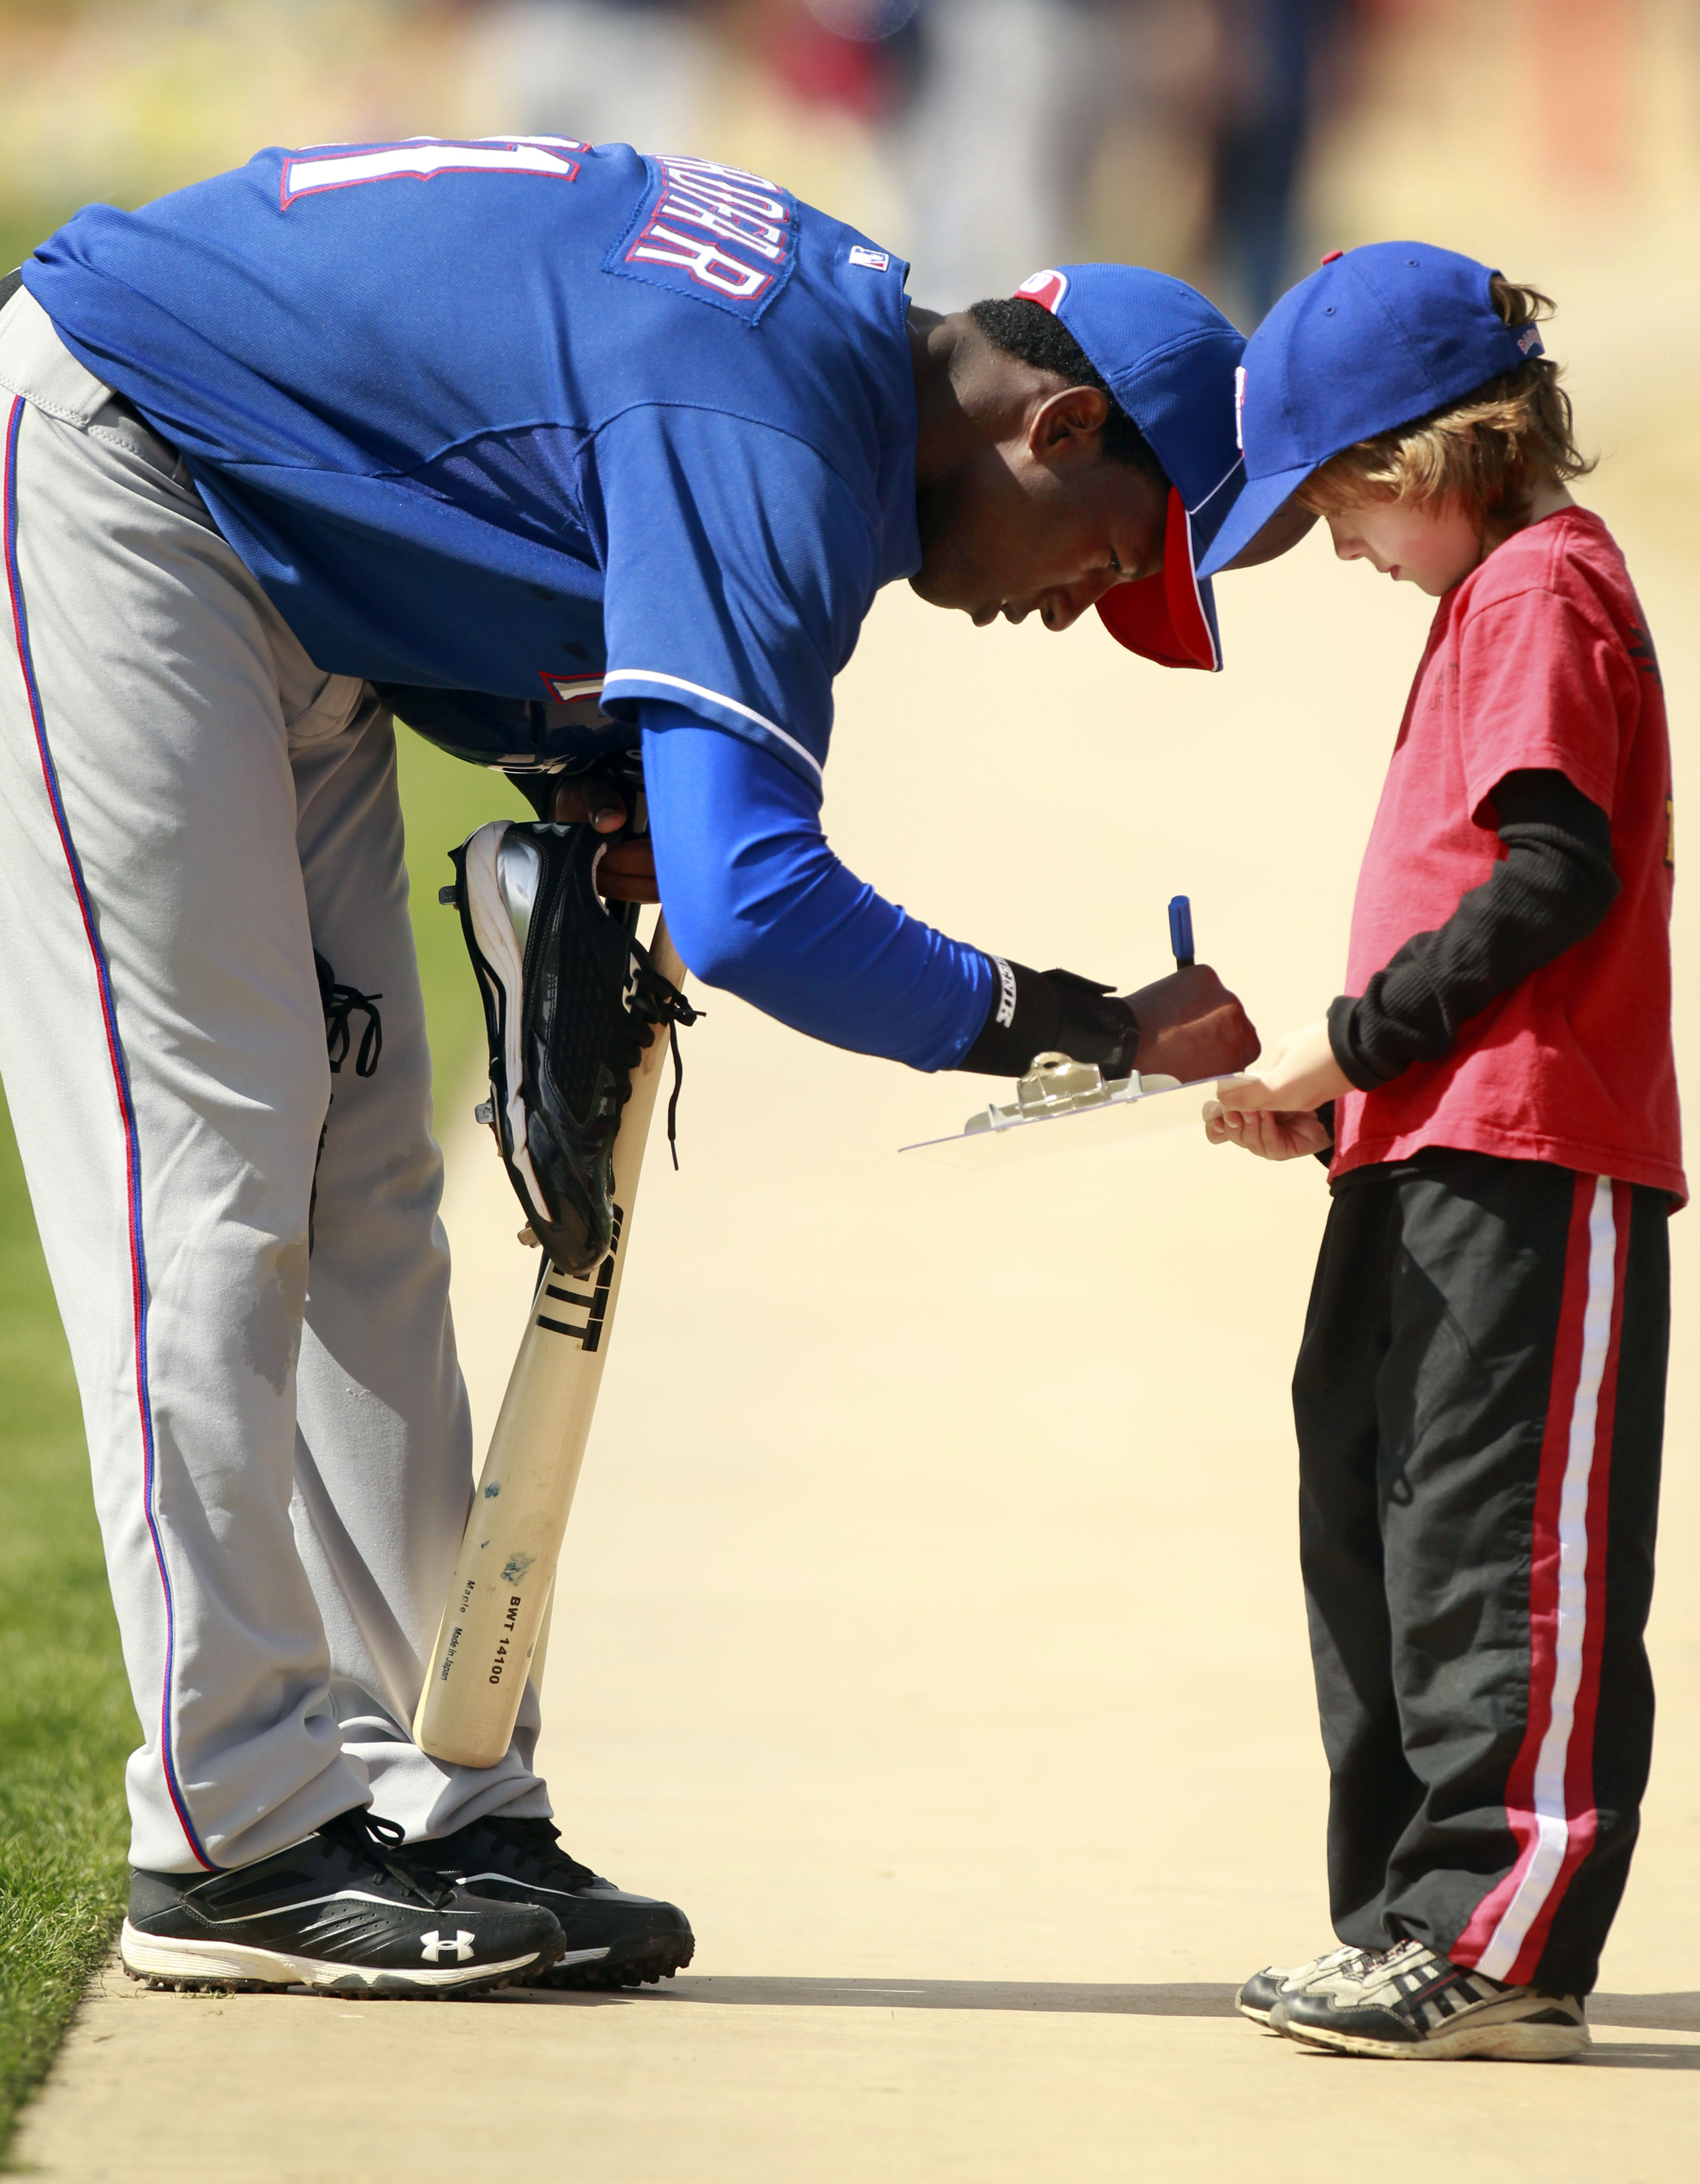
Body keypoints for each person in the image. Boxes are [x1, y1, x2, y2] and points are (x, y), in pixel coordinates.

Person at [0, 137, 1271, 1998]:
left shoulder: (840, 348)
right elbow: (758, 904)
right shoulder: (782, 431)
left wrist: (587, 780)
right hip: (129, 478)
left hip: (287, 563)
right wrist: (1074, 1020)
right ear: (1060, 423)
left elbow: (503, 444)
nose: (1081, 606)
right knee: (204, 1181)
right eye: (1113, 562)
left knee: (365, 1199)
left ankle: (441, 1792)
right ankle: (232, 1836)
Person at [1200, 243, 1680, 2061]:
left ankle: (1502, 1936)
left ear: (1425, 460)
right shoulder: (1487, 603)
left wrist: (1362, 1036)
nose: (1337, 544)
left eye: (1339, 501)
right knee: (1377, 1520)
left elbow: (1553, 877)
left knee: (1500, 1552)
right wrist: (1348, 1086)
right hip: (1425, 1141)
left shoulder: (1546, 590)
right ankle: (1412, 1916)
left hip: (1537, 1156)